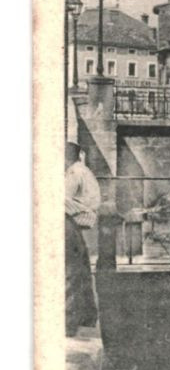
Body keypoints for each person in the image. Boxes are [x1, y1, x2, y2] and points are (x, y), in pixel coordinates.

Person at [64, 142, 100, 332]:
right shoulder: (83, 170)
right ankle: (87, 317)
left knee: (71, 272)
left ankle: (68, 323)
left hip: (71, 221)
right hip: (78, 222)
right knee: (82, 270)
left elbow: (62, 197)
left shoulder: (74, 172)